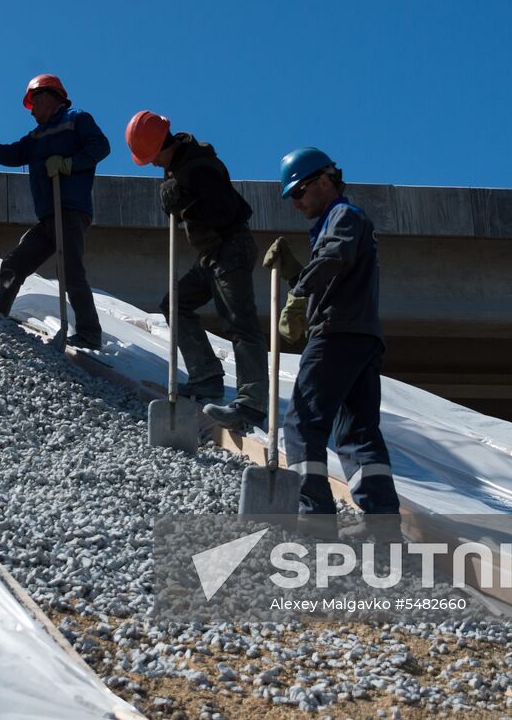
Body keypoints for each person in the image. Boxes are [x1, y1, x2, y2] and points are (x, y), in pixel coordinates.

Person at [263, 147, 401, 527]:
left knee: (303, 421)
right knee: (358, 432)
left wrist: (298, 293)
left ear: (323, 181)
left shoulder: (342, 215)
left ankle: (315, 516)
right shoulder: (339, 220)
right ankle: (383, 523)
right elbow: (334, 273)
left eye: (298, 192)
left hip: (337, 334)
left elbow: (334, 259)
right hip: (362, 337)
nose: (295, 202)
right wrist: (296, 273)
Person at [124, 110, 267, 427]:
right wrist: (177, 193)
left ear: (161, 146)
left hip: (230, 248)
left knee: (239, 323)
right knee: (175, 302)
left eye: (151, 158)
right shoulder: (182, 165)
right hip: (212, 254)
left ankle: (253, 403)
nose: (153, 164)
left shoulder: (200, 167)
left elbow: (225, 212)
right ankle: (206, 377)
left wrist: (185, 198)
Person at [0, 74, 110, 349]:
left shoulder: (77, 119)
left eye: (34, 103)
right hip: (48, 216)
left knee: (70, 270)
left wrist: (69, 163)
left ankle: (90, 333)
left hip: (70, 209)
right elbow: (14, 153)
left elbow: (101, 147)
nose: (31, 111)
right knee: (14, 263)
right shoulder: (36, 136)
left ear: (49, 97)